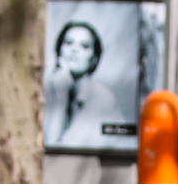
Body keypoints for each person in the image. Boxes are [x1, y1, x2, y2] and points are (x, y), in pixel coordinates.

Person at [46, 19, 128, 147]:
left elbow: (62, 149)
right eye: (68, 43)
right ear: (59, 50)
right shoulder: (50, 88)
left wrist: (61, 98)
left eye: (84, 46)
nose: (74, 50)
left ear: (94, 59)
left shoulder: (101, 96)